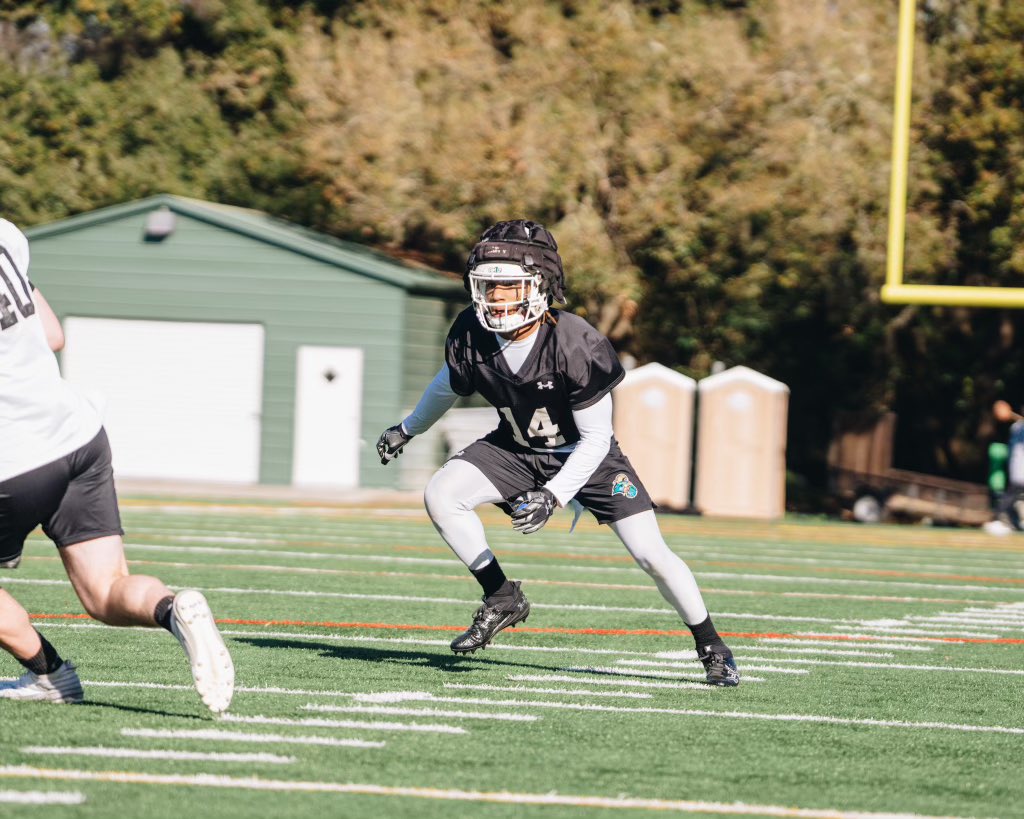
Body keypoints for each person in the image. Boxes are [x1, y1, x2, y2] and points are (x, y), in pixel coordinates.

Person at [376, 219, 739, 686]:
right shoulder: (471, 331)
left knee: (652, 555)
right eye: (487, 287)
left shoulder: (574, 342)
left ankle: (711, 645)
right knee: (442, 493)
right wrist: (407, 430)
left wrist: (553, 495)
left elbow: (596, 440)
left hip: (587, 458)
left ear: (540, 286)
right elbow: (447, 385)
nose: (495, 299)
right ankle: (502, 596)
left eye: (507, 288)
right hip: (516, 449)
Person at [0, 217, 234, 711]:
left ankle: (51, 675)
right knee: (106, 592)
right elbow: (52, 334)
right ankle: (173, 608)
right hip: (75, 432)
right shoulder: (4, 233)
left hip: (12, 457)